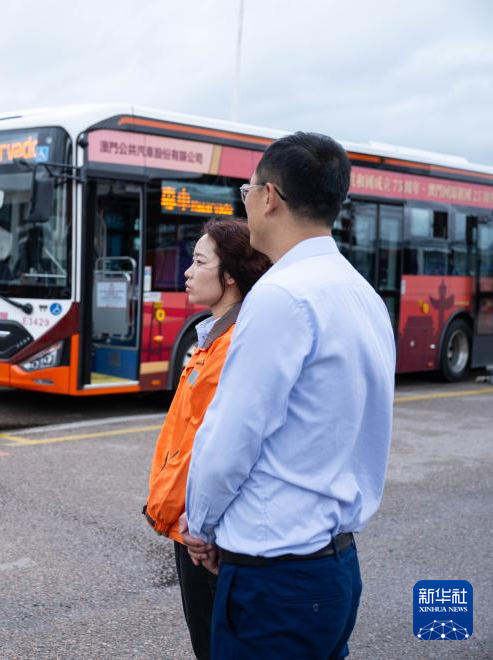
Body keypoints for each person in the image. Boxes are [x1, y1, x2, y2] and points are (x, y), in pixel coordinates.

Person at [183, 132, 396, 658]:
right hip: (334, 566)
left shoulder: (280, 295)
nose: (246, 202)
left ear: (270, 197)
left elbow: (230, 438)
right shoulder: (363, 294)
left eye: (247, 191)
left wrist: (201, 526)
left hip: (274, 579)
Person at [143, 218, 270, 660]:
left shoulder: (233, 345)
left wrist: (200, 525)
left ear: (230, 276)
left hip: (204, 536)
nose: (187, 271)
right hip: (190, 525)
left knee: (215, 646)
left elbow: (221, 449)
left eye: (199, 262)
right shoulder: (211, 338)